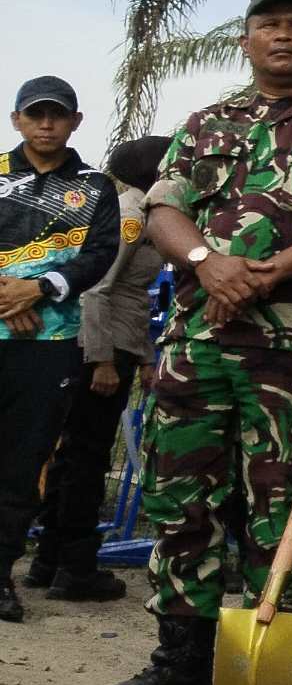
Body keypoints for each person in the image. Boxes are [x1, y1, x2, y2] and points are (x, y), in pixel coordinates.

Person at [92, 0, 292, 685]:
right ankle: (181, 664)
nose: (283, 36)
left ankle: (269, 676)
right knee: (182, 502)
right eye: (268, 23)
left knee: (283, 507)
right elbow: (163, 209)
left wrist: (267, 272)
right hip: (195, 342)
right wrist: (210, 264)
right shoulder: (207, 121)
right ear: (247, 40)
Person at [23, 134, 169, 604]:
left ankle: (49, 561)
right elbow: (96, 289)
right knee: (86, 458)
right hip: (100, 348)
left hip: (117, 343)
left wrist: (143, 354)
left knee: (73, 456)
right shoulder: (129, 215)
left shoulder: (142, 211)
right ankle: (77, 568)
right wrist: (102, 359)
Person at [0, 77, 123, 623]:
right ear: (16, 121)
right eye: (35, 114)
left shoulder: (98, 186)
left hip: (51, 342)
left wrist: (41, 288)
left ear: (76, 121)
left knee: (23, 462)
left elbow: (99, 254)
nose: (46, 124)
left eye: (57, 115)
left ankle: (1, 575)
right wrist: (8, 297)